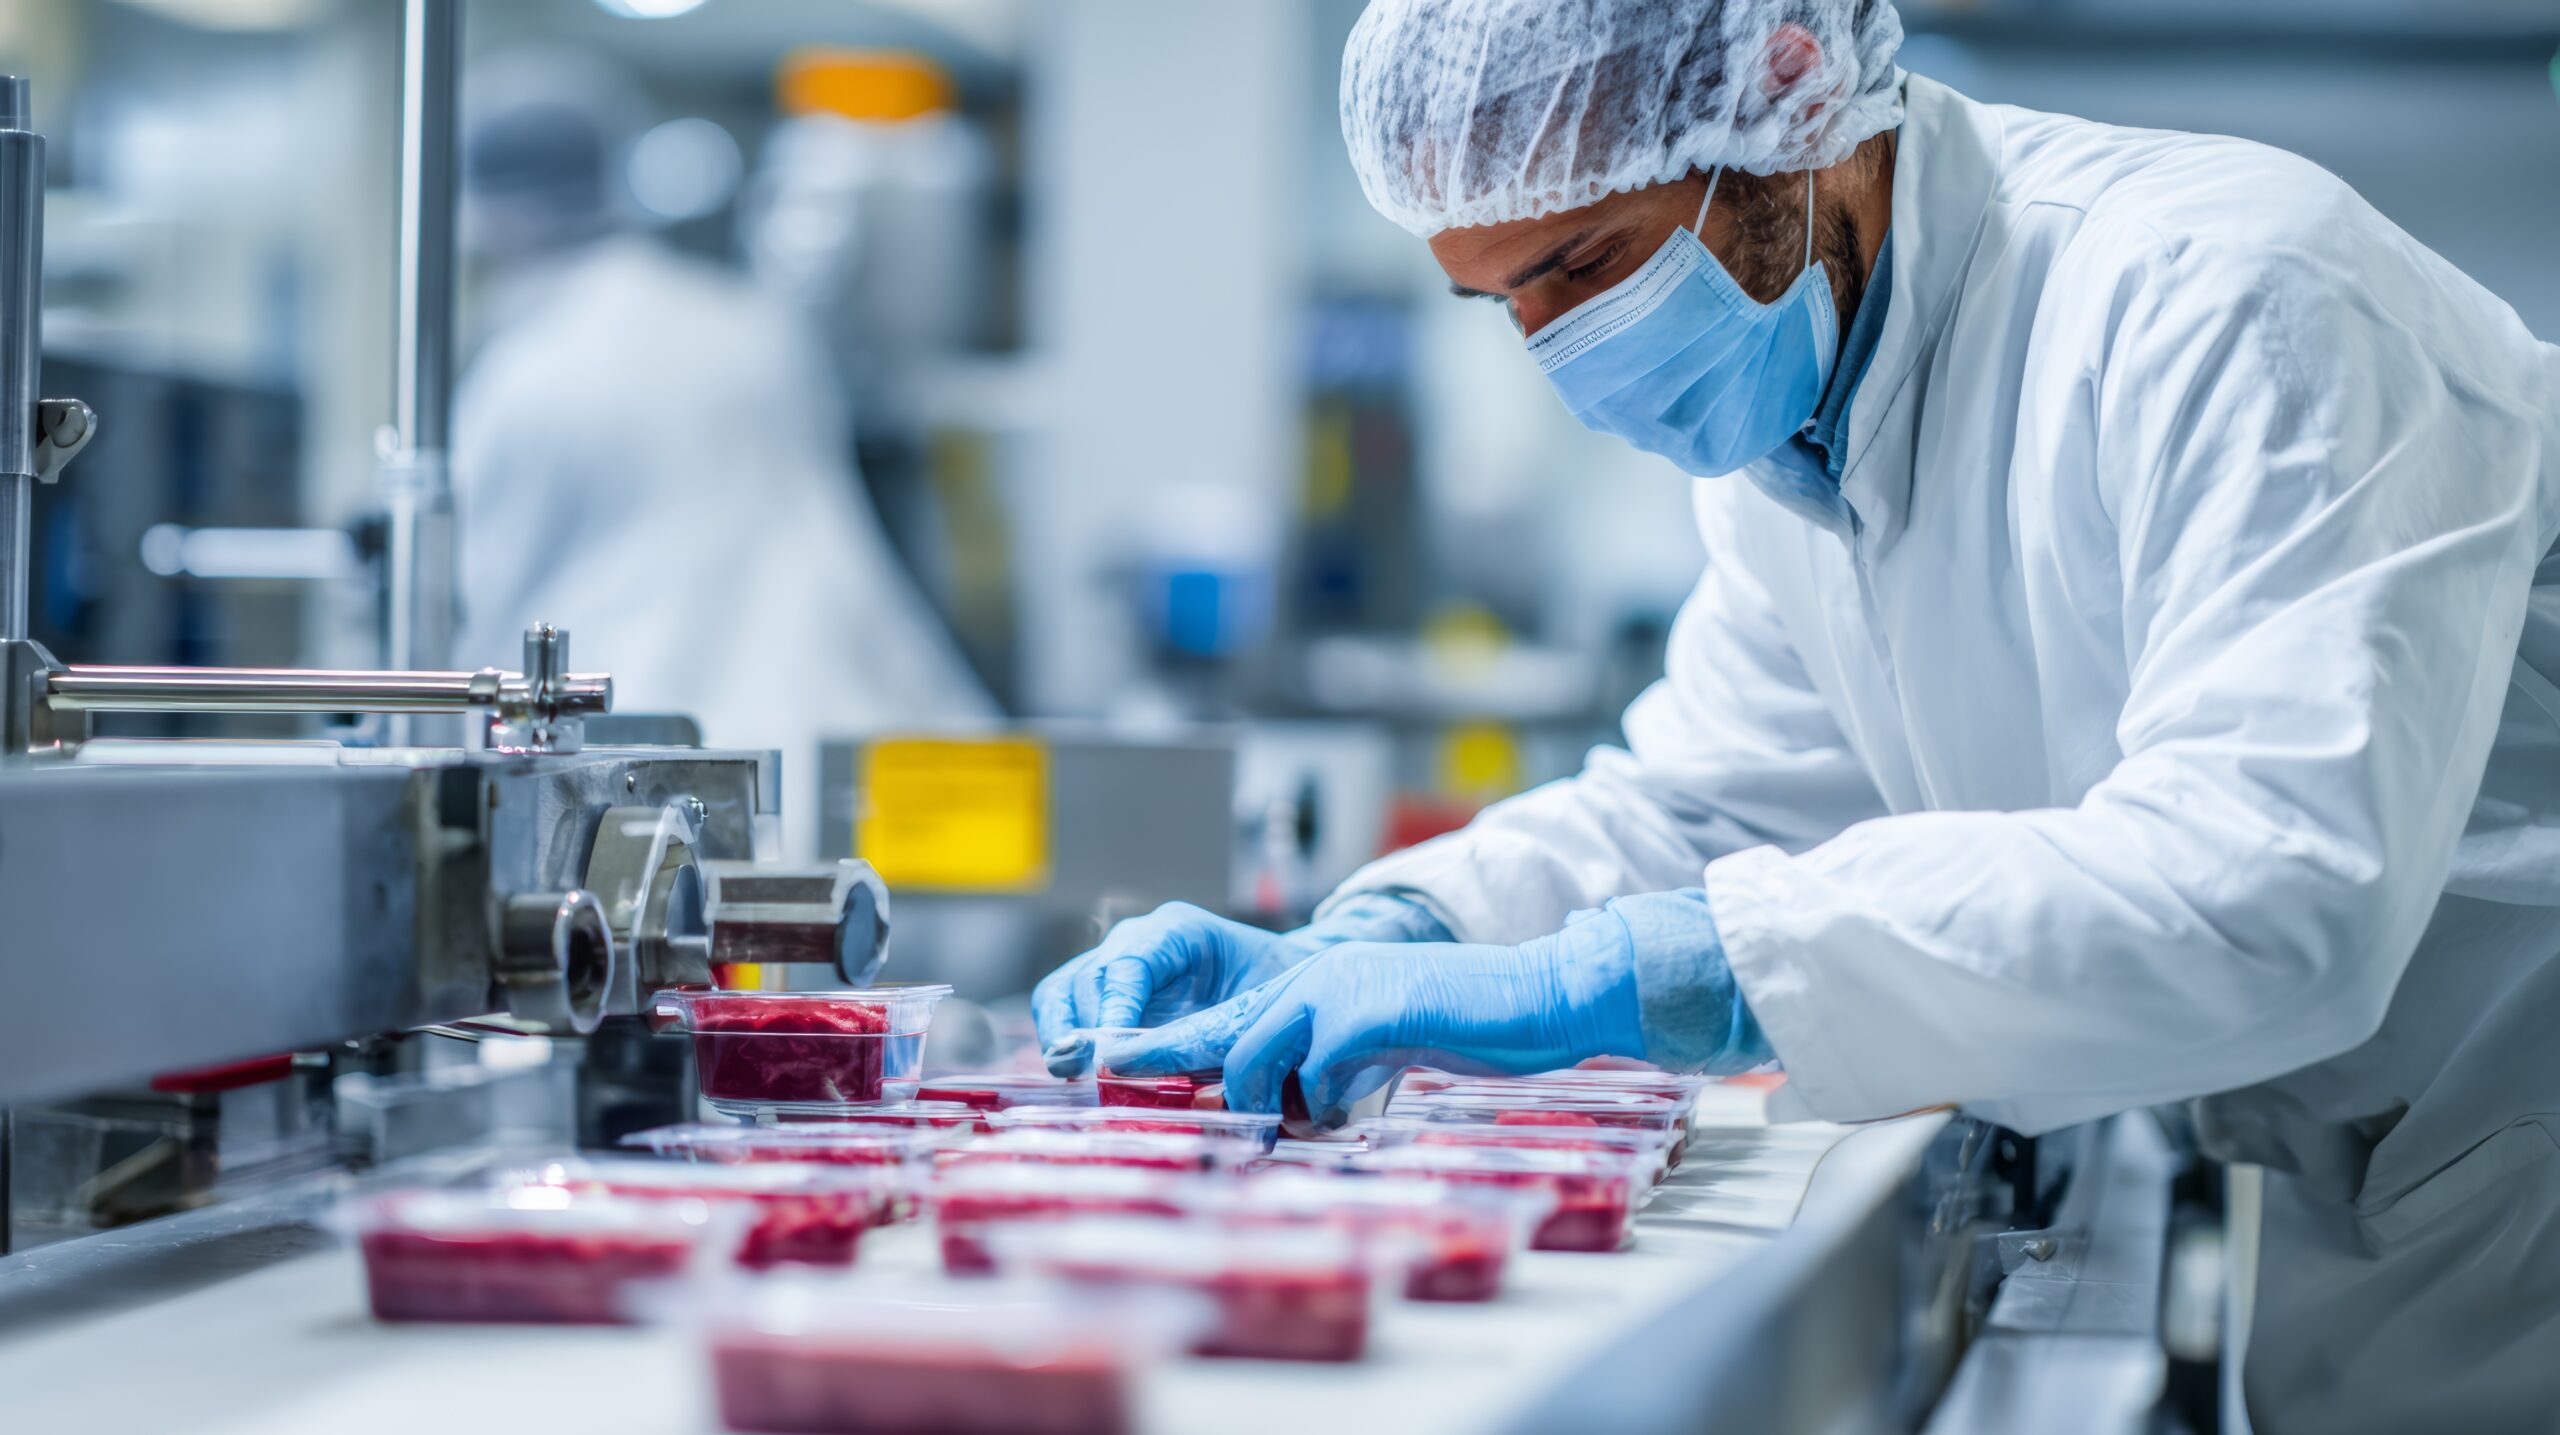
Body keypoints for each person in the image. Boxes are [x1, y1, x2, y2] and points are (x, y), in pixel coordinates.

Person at [1032, 2, 2560, 1429]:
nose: (1557, 350)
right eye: (1498, 301)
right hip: (2365, 1158)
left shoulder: (2229, 295)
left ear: (1784, 91)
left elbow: (2279, 886)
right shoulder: (1803, 431)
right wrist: (1396, 927)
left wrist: (1648, 969)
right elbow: (1716, 798)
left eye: (1583, 262)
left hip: (2514, 1146)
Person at [452, 52, 993, 857]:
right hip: (853, 786)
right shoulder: (750, 326)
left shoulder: (528, 370)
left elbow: (482, 613)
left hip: (624, 814)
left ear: (492, 213)